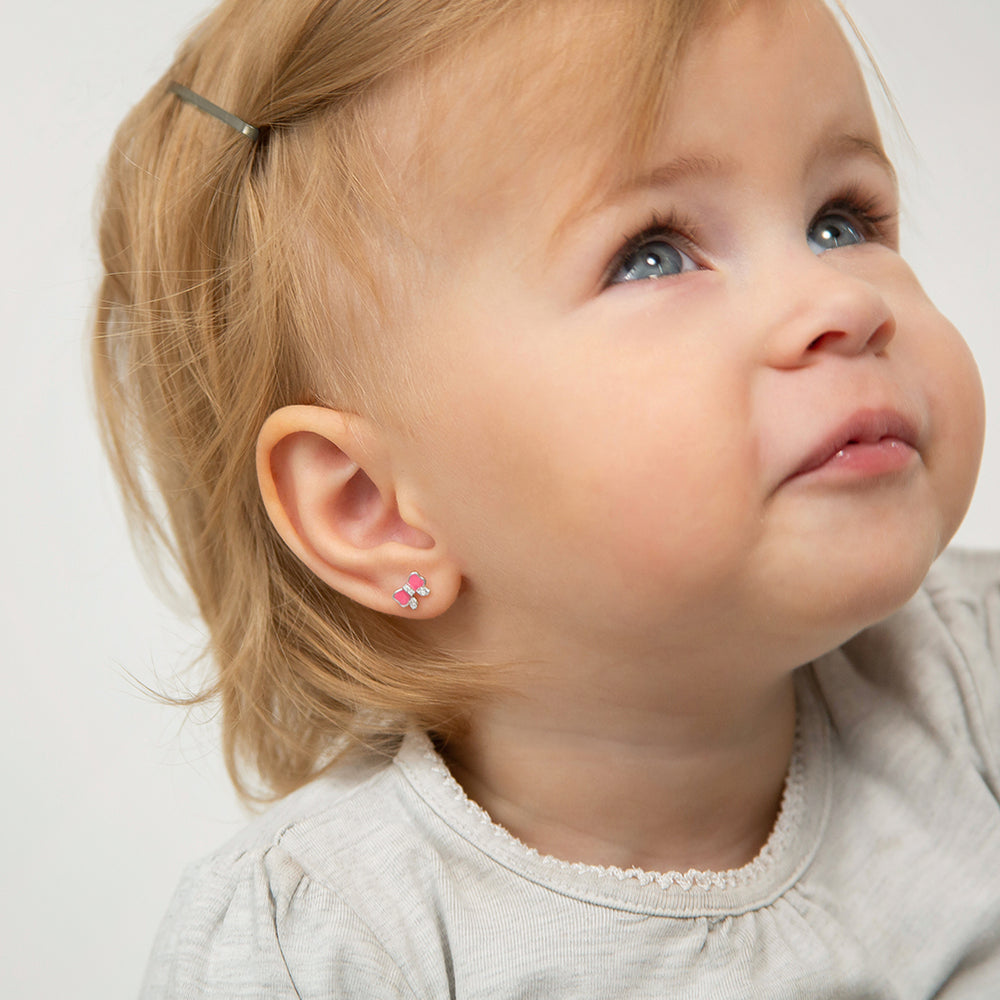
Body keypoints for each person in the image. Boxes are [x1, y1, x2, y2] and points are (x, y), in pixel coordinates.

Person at [93, 0, 1000, 994]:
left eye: (842, 220)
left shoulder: (969, 673)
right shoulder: (329, 944)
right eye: (651, 252)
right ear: (375, 509)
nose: (845, 303)